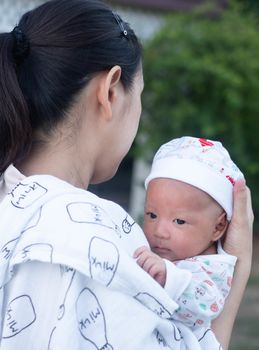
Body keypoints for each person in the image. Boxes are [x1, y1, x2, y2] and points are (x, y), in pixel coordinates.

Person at [0, 1, 253, 349]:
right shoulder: (98, 244)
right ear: (110, 91)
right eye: (141, 96)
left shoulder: (12, 204)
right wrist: (236, 273)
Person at [134, 136, 244, 348]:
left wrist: (168, 276)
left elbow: (206, 304)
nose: (160, 231)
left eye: (179, 221)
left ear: (218, 227)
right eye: (152, 214)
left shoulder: (214, 267)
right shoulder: (165, 249)